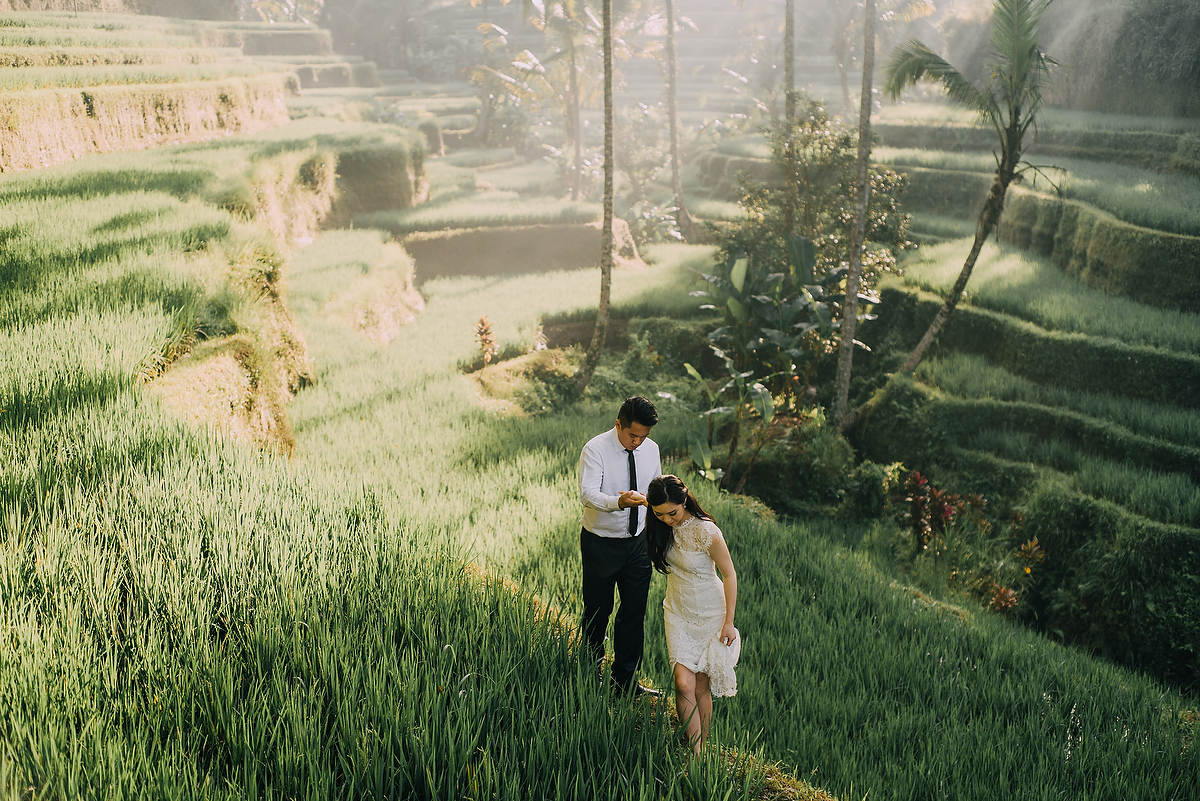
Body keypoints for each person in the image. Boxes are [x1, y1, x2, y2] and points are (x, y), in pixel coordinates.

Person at [646, 474, 739, 753]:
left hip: (711, 613)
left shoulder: (706, 531)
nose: (666, 519)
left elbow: (729, 574)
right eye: (659, 513)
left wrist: (729, 622)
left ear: (684, 499)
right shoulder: (660, 524)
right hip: (677, 611)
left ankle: (698, 751)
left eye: (672, 512)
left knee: (700, 686)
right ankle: (696, 751)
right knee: (682, 681)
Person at [579, 396, 663, 696]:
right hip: (601, 544)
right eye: (632, 435)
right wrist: (619, 502)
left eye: (643, 436)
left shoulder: (651, 450)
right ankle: (588, 674)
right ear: (619, 425)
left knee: (634, 612)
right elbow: (587, 494)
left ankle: (624, 683)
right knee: (597, 612)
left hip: (638, 545)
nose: (638, 442)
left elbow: (656, 491)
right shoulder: (596, 449)